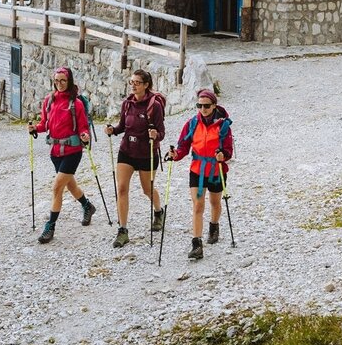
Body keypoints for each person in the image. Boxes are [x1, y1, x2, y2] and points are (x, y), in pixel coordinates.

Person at [28, 66, 95, 244]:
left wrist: (85, 136)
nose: (59, 84)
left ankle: (50, 226)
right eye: (56, 81)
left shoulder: (77, 103)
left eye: (62, 80)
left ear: (69, 81)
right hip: (55, 152)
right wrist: (36, 128)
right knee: (70, 185)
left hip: (73, 151)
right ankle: (87, 205)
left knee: (57, 187)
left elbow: (82, 126)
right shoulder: (49, 100)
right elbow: (45, 124)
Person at [166, 88, 233, 260]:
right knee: (198, 205)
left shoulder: (224, 125)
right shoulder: (192, 123)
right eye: (199, 105)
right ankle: (197, 244)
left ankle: (214, 225)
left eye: (206, 106)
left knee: (215, 202)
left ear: (214, 105)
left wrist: (222, 156)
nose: (203, 109)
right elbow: (183, 146)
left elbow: (228, 150)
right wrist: (176, 155)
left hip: (217, 171)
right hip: (197, 170)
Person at [104, 69, 165, 248]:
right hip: (127, 151)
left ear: (146, 85)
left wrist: (156, 135)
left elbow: (161, 132)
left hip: (147, 152)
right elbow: (123, 126)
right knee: (122, 189)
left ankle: (158, 212)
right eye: (132, 82)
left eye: (137, 82)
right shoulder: (127, 104)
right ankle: (122, 230)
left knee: (147, 189)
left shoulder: (155, 106)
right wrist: (113, 130)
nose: (133, 85)